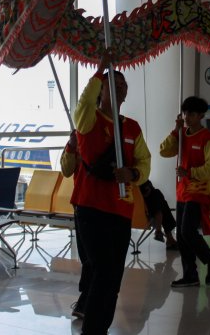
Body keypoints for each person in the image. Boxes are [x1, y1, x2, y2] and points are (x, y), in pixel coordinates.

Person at [70, 50, 151, 334]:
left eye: (123, 86)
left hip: (120, 209)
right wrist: (99, 70)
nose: (120, 89)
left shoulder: (132, 127)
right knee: (102, 270)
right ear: (100, 91)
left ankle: (100, 328)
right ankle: (92, 329)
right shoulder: (88, 122)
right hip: (91, 208)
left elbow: (145, 161)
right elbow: (82, 104)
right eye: (112, 85)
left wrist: (133, 174)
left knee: (114, 277)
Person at [160, 96, 210, 287]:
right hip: (183, 189)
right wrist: (176, 130)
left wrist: (190, 172)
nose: (187, 117)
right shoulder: (181, 134)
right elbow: (164, 151)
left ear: (201, 115)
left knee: (187, 230)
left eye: (192, 114)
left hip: (199, 190)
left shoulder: (207, 137)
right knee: (181, 235)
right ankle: (190, 275)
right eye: (185, 113)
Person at [139, 179, 178, 249]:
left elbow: (149, 187)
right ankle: (168, 238)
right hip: (140, 208)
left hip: (150, 206)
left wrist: (148, 189)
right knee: (157, 195)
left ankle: (160, 232)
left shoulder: (141, 174)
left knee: (159, 200)